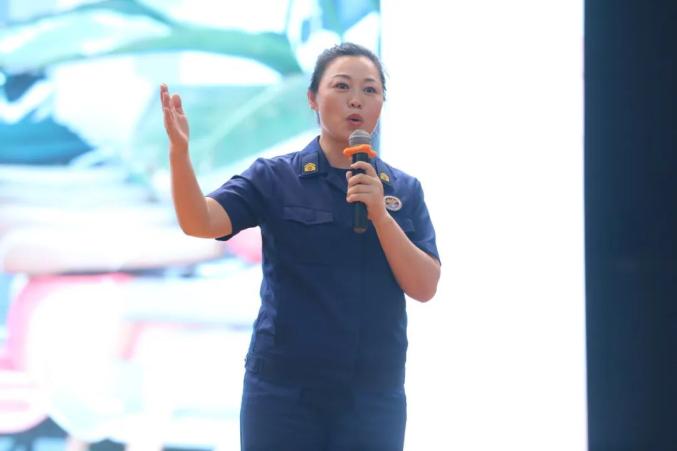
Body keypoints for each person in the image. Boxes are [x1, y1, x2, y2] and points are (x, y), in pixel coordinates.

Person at [160, 42, 440, 451]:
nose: (356, 100)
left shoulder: (403, 190)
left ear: (382, 103)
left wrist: (381, 215)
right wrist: (179, 154)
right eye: (342, 86)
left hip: (371, 396)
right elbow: (199, 221)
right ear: (312, 98)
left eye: (370, 90)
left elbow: (425, 286)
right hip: (284, 394)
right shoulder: (274, 178)